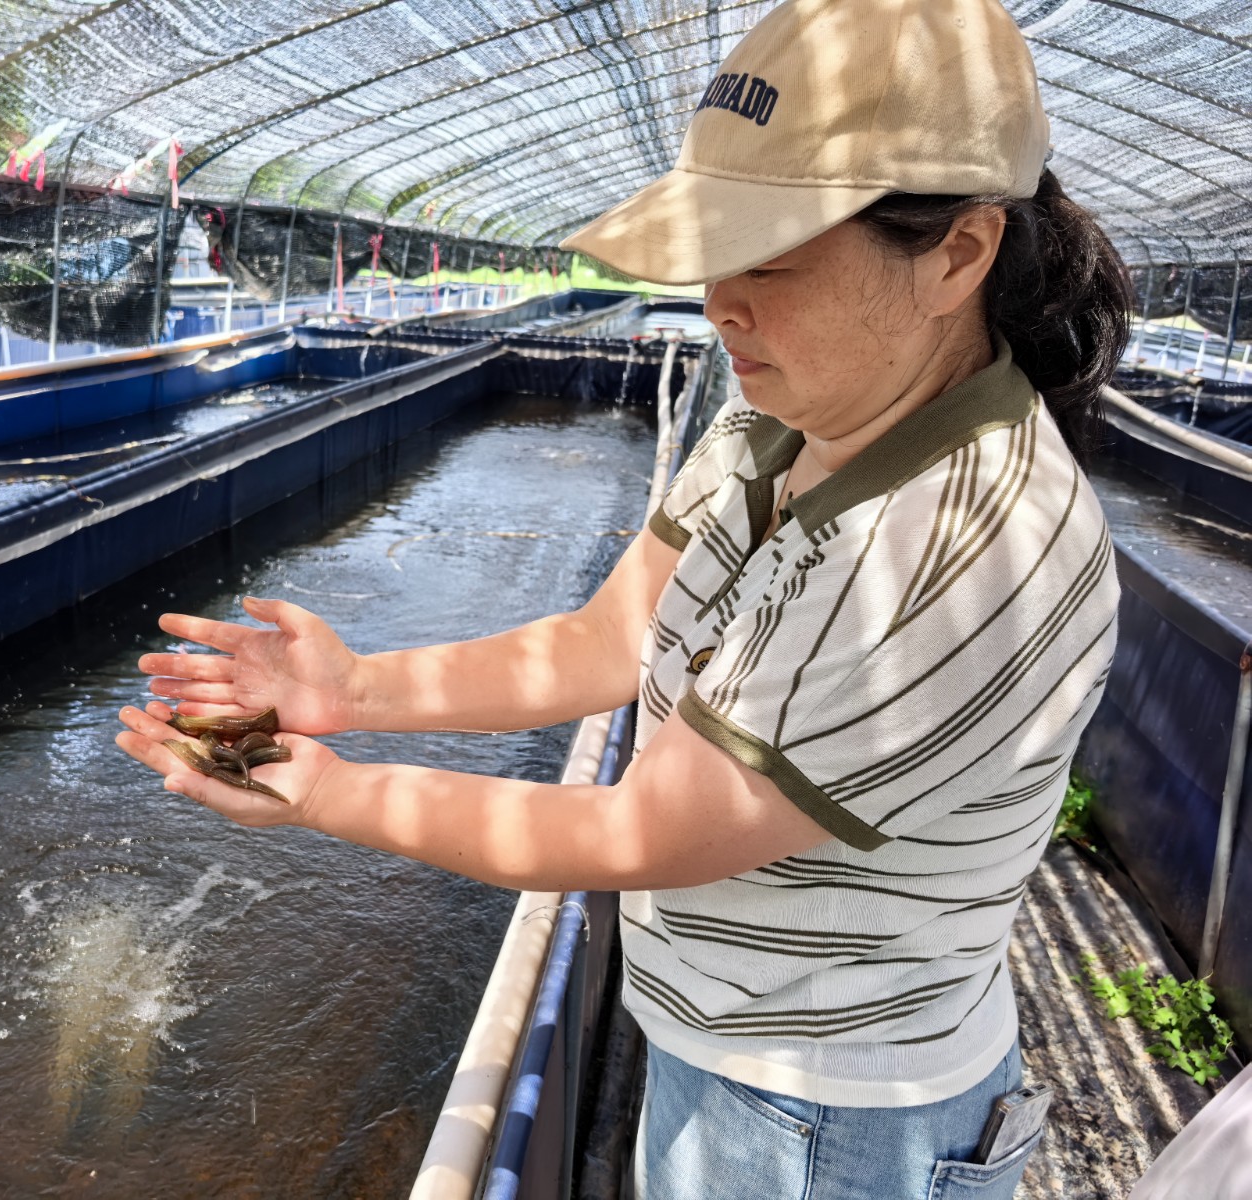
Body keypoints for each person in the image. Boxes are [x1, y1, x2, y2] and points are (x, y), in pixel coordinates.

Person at [117, 0, 1130, 1194]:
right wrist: (354, 690)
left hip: (824, 1118)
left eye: (770, 260)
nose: (718, 303)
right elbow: (605, 640)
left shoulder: (952, 544)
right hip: (728, 1041)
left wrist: (329, 791)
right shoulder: (781, 421)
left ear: (958, 253)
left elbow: (637, 830)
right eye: (714, 254)